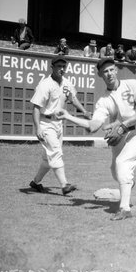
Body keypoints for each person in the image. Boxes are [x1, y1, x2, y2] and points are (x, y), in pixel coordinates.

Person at [55, 57, 136, 221]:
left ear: (116, 70)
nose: (108, 74)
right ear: (100, 75)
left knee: (123, 163)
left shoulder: (133, 84)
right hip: (122, 134)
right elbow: (93, 126)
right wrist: (68, 116)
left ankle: (125, 209)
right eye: (104, 71)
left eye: (110, 70)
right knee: (115, 171)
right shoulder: (104, 100)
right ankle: (128, 182)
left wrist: (123, 125)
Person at [28, 55, 92, 195]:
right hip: (46, 123)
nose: (62, 69)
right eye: (59, 66)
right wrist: (38, 127)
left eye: (64, 66)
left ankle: (35, 182)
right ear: (52, 67)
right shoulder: (45, 84)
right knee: (56, 152)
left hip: (58, 124)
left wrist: (84, 111)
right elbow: (36, 108)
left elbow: (73, 99)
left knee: (48, 158)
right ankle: (64, 185)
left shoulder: (67, 83)